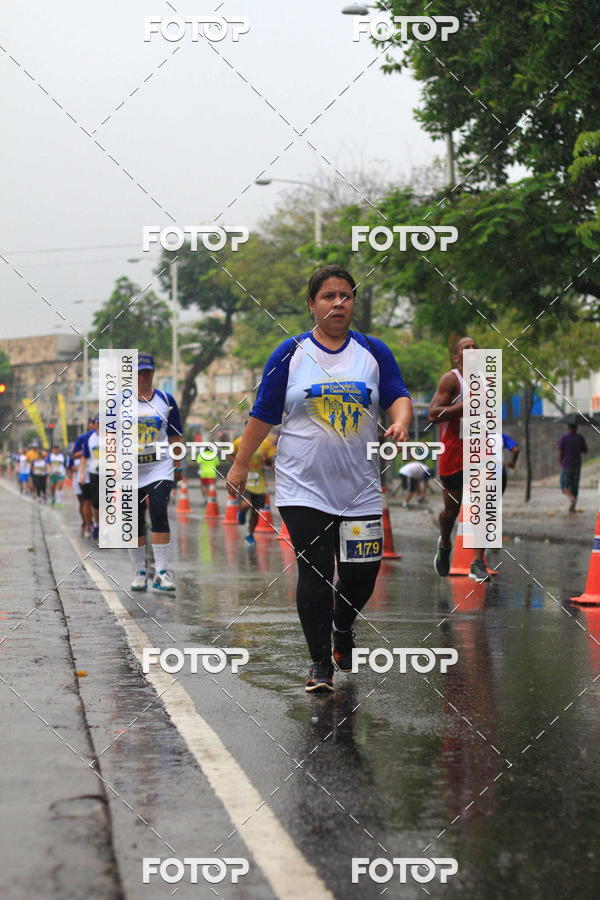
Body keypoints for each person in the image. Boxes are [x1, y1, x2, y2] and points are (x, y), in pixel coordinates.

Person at [227, 264, 412, 692]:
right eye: (328, 296)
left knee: (362, 574)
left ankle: (342, 628)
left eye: (345, 296)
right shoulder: (289, 354)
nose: (338, 303)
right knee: (314, 571)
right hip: (302, 487)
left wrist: (400, 422)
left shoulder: (373, 351)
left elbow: (399, 395)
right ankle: (318, 665)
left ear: (353, 303)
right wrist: (240, 463)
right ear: (312, 305)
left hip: (361, 489)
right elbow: (263, 415)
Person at [428, 336, 490, 583]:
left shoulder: (488, 379)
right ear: (457, 357)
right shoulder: (452, 379)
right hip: (453, 452)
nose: (472, 350)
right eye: (467, 348)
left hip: (480, 450)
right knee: (452, 511)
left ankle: (477, 562)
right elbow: (432, 414)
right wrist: (463, 407)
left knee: (484, 506)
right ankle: (445, 542)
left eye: (476, 347)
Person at [128, 353, 183, 593]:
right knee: (135, 519)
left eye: (147, 372)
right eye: (139, 372)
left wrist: (178, 465)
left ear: (153, 373)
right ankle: (140, 572)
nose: (143, 377)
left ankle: (161, 572)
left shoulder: (165, 400)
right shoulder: (119, 403)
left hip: (159, 467)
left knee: (159, 511)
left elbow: (175, 435)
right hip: (129, 470)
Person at [229, 430, 277, 545]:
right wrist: (238, 465)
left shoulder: (266, 444)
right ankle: (241, 511)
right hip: (244, 481)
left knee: (255, 513)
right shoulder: (238, 442)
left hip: (259, 482)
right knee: (246, 504)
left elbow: (270, 462)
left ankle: (250, 534)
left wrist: (267, 461)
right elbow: (229, 454)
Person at [71, 418, 95, 534]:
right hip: (85, 474)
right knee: (86, 501)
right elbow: (74, 455)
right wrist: (85, 451)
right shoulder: (84, 438)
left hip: (101, 474)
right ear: (89, 425)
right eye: (94, 423)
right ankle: (88, 524)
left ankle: (97, 525)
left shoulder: (108, 435)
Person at [558, 420, 587, 514]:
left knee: (564, 485)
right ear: (576, 428)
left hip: (566, 465)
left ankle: (571, 498)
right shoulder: (580, 438)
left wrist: (560, 461)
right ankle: (573, 508)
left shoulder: (564, 438)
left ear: (568, 428)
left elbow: (560, 451)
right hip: (577, 465)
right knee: (575, 487)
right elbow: (585, 450)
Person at [79, 416, 100, 539]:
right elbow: (84, 457)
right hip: (94, 473)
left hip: (110, 473)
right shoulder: (90, 438)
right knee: (96, 503)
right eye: (98, 423)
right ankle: (97, 525)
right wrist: (81, 474)